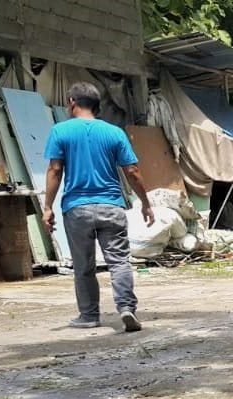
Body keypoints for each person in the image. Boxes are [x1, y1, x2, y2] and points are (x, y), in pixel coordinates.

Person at [44, 82, 154, 332]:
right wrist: (146, 203)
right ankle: (126, 308)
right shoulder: (114, 133)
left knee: (84, 266)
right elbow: (132, 171)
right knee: (119, 262)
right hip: (111, 206)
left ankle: (89, 316)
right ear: (97, 105)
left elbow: (55, 170)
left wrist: (47, 207)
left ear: (72, 102)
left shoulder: (60, 131)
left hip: (77, 209)